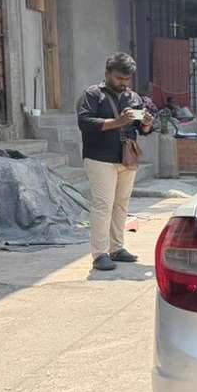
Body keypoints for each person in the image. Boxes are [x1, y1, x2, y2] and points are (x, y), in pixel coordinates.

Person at [76, 52, 154, 271]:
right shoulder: (92, 94)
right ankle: (99, 254)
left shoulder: (134, 97)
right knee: (103, 205)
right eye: (119, 78)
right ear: (107, 74)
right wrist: (118, 121)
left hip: (126, 157)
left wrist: (147, 123)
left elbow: (143, 130)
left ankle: (117, 248)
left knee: (121, 204)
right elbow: (85, 122)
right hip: (99, 157)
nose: (123, 83)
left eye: (127, 79)